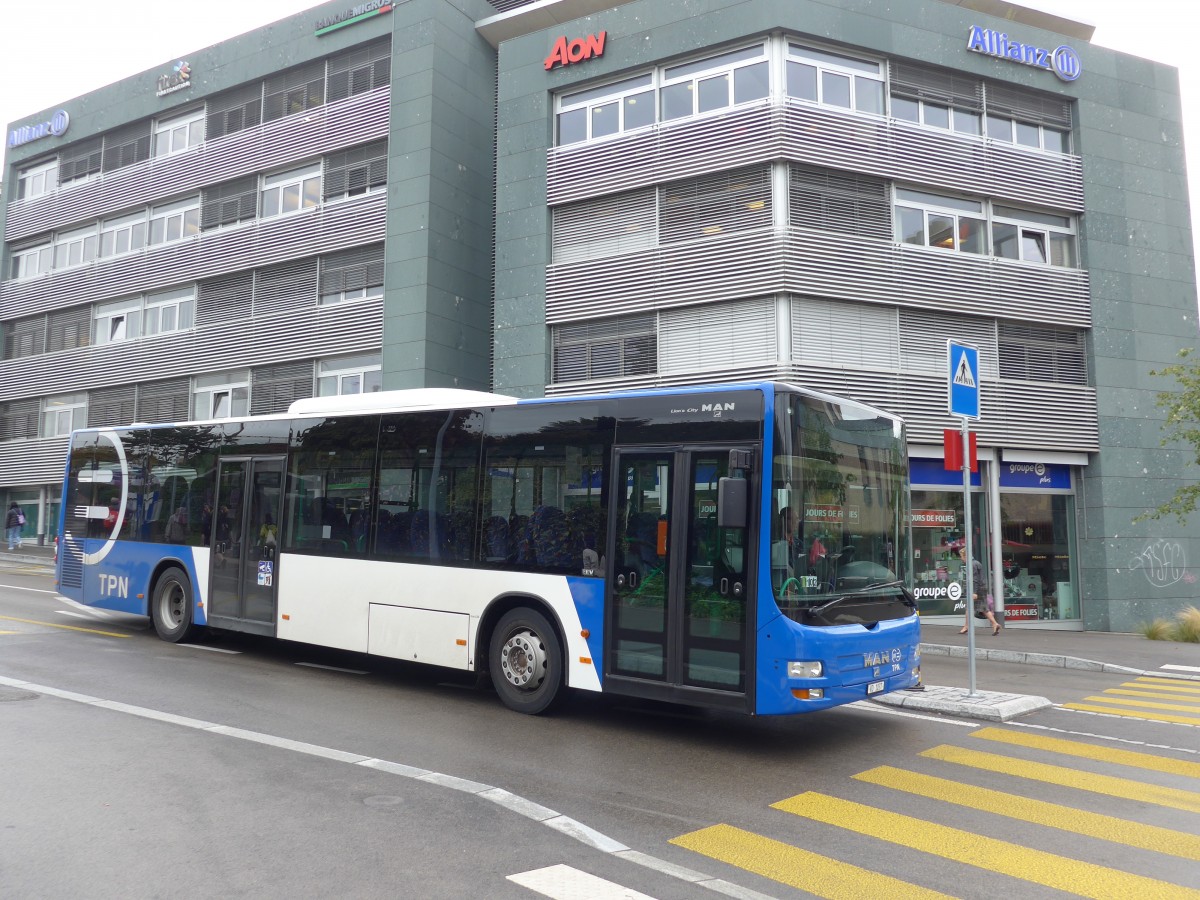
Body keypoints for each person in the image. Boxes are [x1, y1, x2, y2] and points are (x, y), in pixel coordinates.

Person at [958, 543, 1001, 636]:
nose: (961, 559)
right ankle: (995, 624)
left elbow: (974, 579)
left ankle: (966, 626)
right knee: (984, 608)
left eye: (961, 556)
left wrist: (974, 592)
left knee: (969, 608)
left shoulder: (972, 565)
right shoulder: (976, 563)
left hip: (977, 589)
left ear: (965, 556)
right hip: (982, 587)